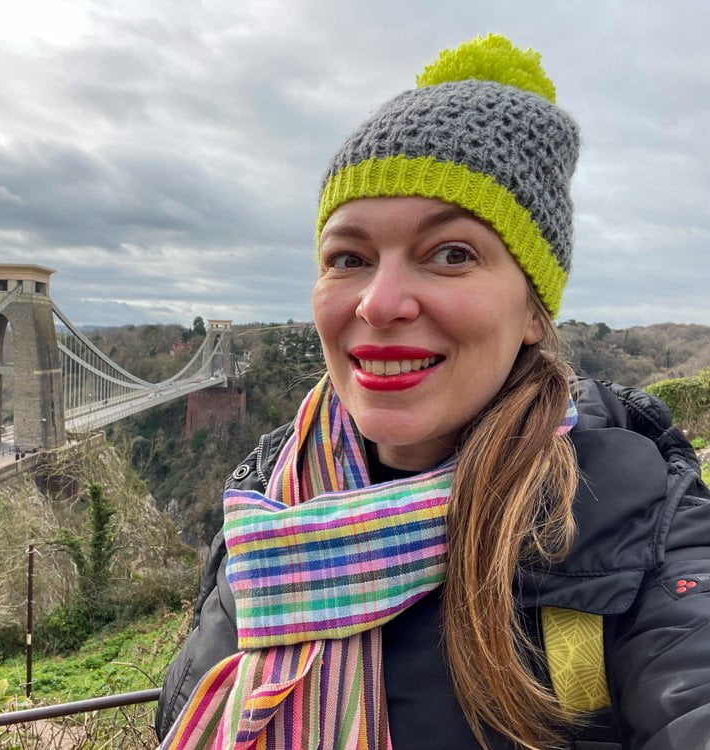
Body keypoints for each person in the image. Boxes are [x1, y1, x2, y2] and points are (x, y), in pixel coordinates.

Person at [154, 34, 710, 750]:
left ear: (535, 312)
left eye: (451, 254)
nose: (380, 304)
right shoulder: (271, 501)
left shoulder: (644, 523)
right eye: (348, 257)